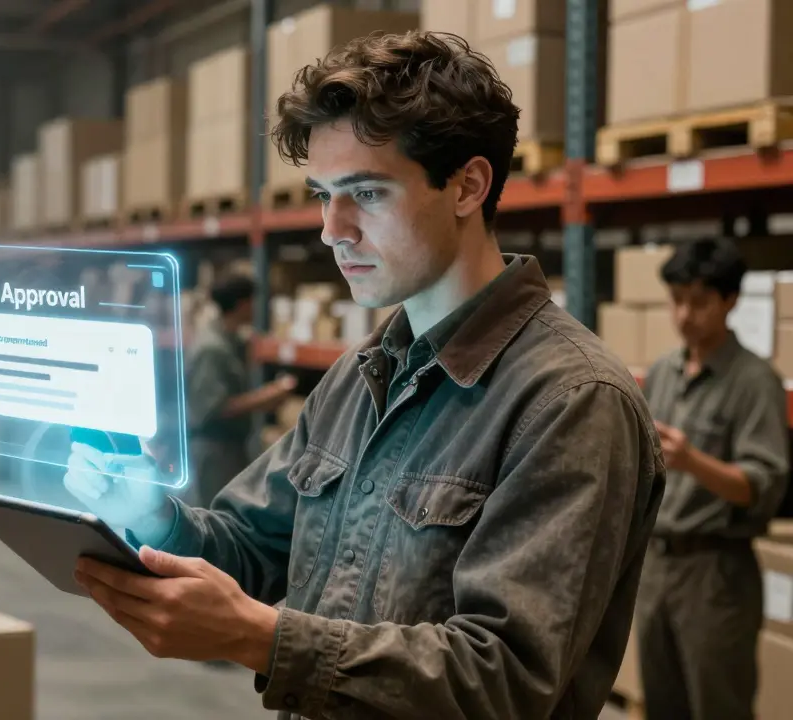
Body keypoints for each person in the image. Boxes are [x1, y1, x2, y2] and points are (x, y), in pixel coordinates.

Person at [62, 32, 665, 719]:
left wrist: (263, 638)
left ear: (468, 185)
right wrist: (149, 516)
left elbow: (504, 680)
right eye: (323, 194)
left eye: (366, 193)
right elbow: (249, 546)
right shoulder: (361, 377)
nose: (331, 229)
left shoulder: (571, 402)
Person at [635, 238, 789, 720]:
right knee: (662, 703)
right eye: (677, 300)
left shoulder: (753, 381)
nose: (685, 315)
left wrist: (693, 460)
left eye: (699, 302)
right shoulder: (662, 372)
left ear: (730, 300)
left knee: (717, 705)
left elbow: (762, 486)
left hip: (715, 573)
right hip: (656, 566)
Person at [185, 275, 297, 507]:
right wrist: (267, 396)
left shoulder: (229, 340)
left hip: (230, 448)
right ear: (243, 304)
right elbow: (213, 408)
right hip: (214, 452)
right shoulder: (212, 348)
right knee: (215, 515)